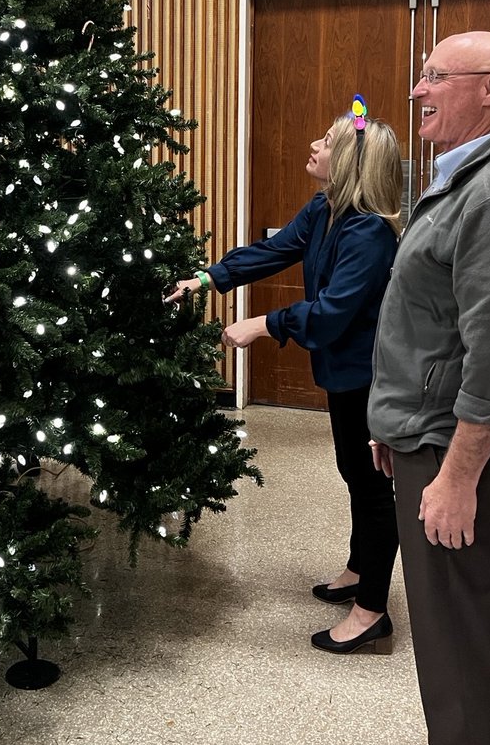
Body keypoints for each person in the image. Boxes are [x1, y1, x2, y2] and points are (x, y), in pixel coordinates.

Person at [367, 32, 490, 745]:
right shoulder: (465, 178)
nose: (417, 91)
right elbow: (435, 322)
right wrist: (395, 422)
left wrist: (453, 475)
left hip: (459, 449)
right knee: (450, 631)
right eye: (421, 75)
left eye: (435, 77)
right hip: (429, 434)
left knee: (459, 630)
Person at [167, 99, 402, 654]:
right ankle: (356, 568)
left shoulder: (370, 232)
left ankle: (372, 611)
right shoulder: (324, 210)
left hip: (370, 375)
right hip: (341, 371)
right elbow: (274, 251)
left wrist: (262, 324)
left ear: (347, 161)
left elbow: (331, 314)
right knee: (353, 469)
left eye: (326, 141)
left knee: (372, 487)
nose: (315, 146)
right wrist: (208, 278)